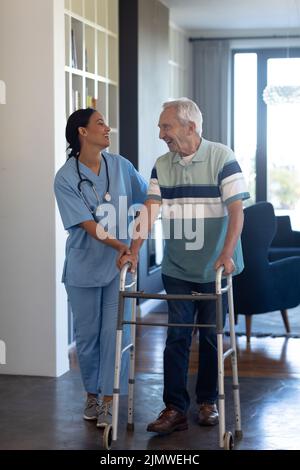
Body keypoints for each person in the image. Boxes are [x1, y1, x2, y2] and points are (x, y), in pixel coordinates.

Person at [119, 98, 250, 434]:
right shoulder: (162, 164)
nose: (161, 133)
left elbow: (237, 210)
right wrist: (134, 250)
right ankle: (174, 407)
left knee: (209, 338)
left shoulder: (222, 157)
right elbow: (149, 210)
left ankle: (207, 402)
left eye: (166, 126)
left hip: (214, 267)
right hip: (177, 267)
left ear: (190, 127)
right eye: (161, 127)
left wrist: (227, 253)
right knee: (177, 337)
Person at [54, 108, 147, 427]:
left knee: (115, 334)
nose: (108, 128)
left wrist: (134, 248)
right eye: (100, 123)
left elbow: (148, 205)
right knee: (88, 337)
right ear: (82, 132)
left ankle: (109, 399)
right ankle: (92, 394)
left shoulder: (122, 166)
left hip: (119, 268)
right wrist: (120, 245)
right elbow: (86, 223)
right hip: (83, 268)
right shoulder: (66, 177)